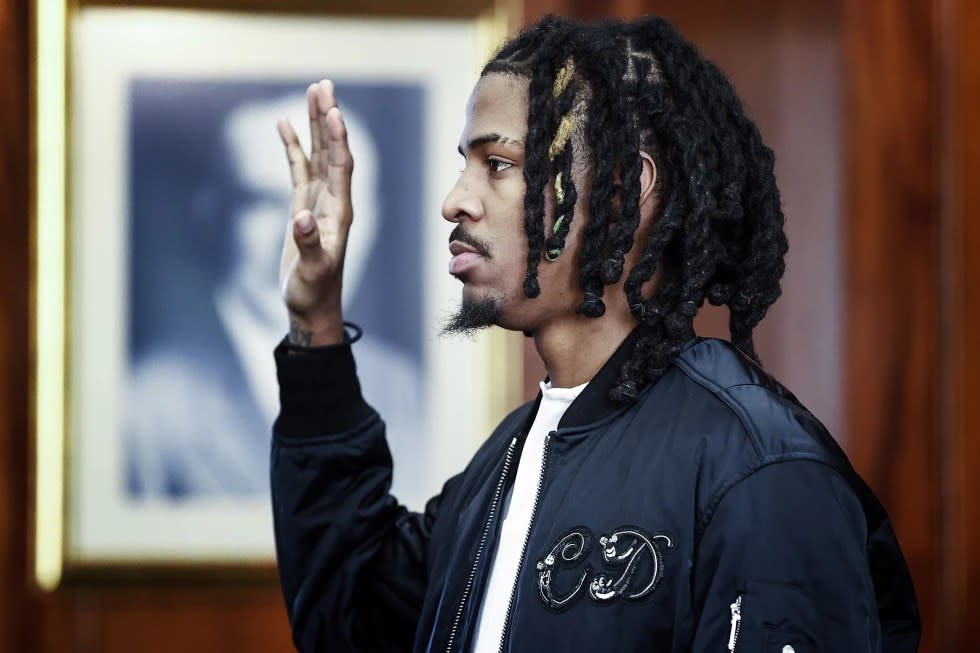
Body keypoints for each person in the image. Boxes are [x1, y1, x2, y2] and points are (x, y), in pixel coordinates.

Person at [270, 15, 920, 653]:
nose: (456, 200)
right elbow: (350, 614)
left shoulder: (757, 467)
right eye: (466, 164)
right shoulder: (509, 458)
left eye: (498, 163)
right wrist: (315, 319)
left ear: (626, 190)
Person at [126, 89, 425, 502]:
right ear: (211, 211)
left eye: (330, 211)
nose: (301, 238)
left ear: (370, 223)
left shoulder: (404, 391)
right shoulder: (146, 406)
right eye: (267, 204)